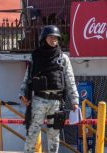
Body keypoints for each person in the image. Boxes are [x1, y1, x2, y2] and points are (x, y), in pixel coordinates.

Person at [19, 25, 79, 153]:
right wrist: (22, 94)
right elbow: (27, 77)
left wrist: (75, 101)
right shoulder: (35, 56)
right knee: (32, 133)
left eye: (56, 38)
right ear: (44, 38)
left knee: (54, 136)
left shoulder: (63, 58)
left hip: (56, 102)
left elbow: (70, 80)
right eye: (51, 37)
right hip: (39, 100)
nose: (54, 40)